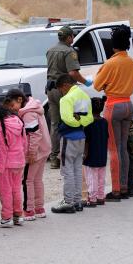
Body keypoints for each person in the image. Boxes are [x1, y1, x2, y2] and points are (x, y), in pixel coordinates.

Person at [93, 25, 133, 200]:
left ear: (113, 45)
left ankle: (117, 189)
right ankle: (125, 186)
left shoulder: (111, 63)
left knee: (114, 149)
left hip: (113, 106)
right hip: (128, 104)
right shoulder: (131, 62)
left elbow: (97, 85)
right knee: (123, 148)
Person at [46, 26, 90, 169]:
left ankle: (54, 158)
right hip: (64, 89)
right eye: (72, 36)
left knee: (54, 123)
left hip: (51, 89)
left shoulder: (50, 50)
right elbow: (73, 73)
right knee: (72, 119)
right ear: (69, 37)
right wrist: (85, 82)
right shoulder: (69, 52)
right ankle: (70, 155)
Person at [52, 74, 93, 214]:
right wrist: (80, 122)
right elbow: (89, 119)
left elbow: (67, 119)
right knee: (77, 169)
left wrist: (75, 122)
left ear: (65, 86)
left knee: (67, 170)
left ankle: (68, 201)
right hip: (81, 136)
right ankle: (77, 201)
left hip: (69, 138)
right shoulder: (85, 96)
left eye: (60, 90)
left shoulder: (66, 99)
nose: (61, 92)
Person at [17, 90, 52, 220]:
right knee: (37, 180)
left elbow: (34, 134)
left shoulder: (28, 114)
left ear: (20, 100)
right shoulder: (36, 106)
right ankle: (39, 208)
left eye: (12, 104)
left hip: (35, 152)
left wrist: (31, 153)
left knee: (27, 181)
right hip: (44, 149)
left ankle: (29, 210)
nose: (11, 108)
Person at [0, 105, 28, 228]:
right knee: (16, 189)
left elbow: (2, 150)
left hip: (6, 165)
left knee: (5, 191)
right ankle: (17, 216)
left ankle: (6, 218)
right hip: (19, 162)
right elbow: (24, 144)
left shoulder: (0, 129)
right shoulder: (19, 122)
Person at [83, 97, 109, 206]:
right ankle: (100, 196)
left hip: (91, 155)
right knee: (101, 177)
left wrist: (85, 153)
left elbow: (87, 141)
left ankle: (92, 198)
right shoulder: (104, 122)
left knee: (91, 177)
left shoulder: (88, 122)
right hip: (102, 154)